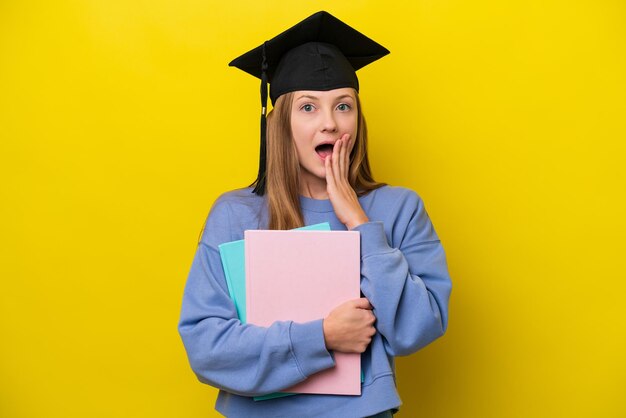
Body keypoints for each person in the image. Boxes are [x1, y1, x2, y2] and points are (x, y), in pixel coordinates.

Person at [178, 11, 452, 418]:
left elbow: (416, 328)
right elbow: (206, 348)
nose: (329, 123)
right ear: (280, 123)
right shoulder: (235, 214)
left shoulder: (397, 209)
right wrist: (322, 337)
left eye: (343, 106)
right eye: (308, 108)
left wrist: (360, 223)